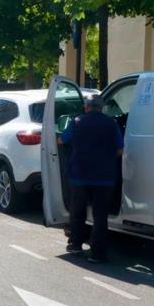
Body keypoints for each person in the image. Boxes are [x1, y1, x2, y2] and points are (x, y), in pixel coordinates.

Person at [59, 93, 123, 263]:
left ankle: (75, 245)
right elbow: (120, 150)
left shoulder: (77, 122)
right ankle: (98, 253)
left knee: (77, 211)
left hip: (79, 175)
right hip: (104, 177)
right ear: (101, 108)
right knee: (100, 215)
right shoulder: (112, 123)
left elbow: (61, 139)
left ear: (86, 107)